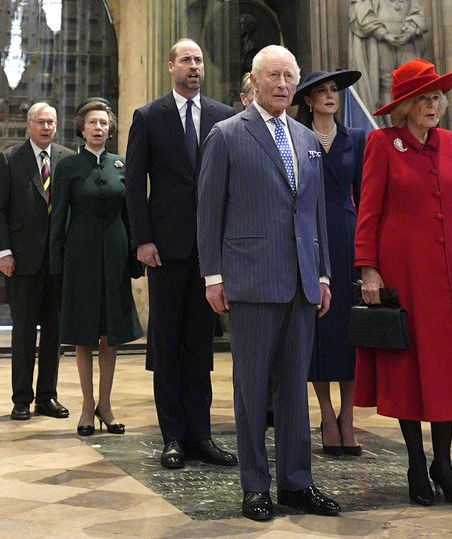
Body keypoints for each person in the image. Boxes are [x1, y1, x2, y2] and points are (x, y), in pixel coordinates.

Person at [198, 45, 342, 522]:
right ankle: (255, 486)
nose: (282, 84)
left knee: (294, 390)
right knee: (252, 390)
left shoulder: (305, 138)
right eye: (273, 76)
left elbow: (314, 211)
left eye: (289, 76)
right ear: (255, 83)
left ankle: (297, 483)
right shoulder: (226, 135)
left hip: (302, 281)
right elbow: (209, 212)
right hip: (251, 280)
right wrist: (214, 275)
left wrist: (321, 273)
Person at [354, 58, 452, 507]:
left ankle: (444, 463)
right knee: (409, 370)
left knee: (446, 370)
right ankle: (417, 464)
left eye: (437, 96)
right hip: (404, 274)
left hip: (450, 274)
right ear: (405, 106)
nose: (433, 104)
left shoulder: (451, 143)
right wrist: (368, 267)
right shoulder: (383, 143)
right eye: (424, 97)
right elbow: (370, 211)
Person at [125, 38, 237, 469]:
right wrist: (142, 239)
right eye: (186, 60)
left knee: (200, 346)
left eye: (199, 60)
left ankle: (201, 436)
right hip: (165, 249)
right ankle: (172, 436)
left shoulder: (223, 117)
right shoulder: (149, 117)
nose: (194, 66)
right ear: (170, 66)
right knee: (168, 342)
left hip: (209, 250)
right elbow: (136, 184)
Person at [50, 99, 143, 436]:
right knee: (85, 334)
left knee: (111, 334)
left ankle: (107, 404)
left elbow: (131, 214)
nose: (99, 128)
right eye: (93, 123)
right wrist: (56, 263)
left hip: (116, 256)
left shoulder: (122, 164)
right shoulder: (69, 167)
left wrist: (135, 258)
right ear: (82, 128)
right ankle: (87, 407)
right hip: (80, 257)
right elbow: (58, 218)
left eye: (104, 123)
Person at [293, 68, 365, 456]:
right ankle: (325, 413)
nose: (330, 96)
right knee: (319, 326)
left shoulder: (356, 138)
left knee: (348, 327)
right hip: (309, 235)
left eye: (334, 90)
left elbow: (365, 196)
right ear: (308, 100)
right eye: (321, 91)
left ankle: (349, 416)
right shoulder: (298, 138)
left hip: (346, 234)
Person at [0, 102, 74, 421]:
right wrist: (3, 252)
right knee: (23, 330)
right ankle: (22, 397)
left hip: (57, 262)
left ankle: (47, 396)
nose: (47, 127)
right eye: (41, 121)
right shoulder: (11, 159)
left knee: (54, 332)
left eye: (51, 122)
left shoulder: (67, 159)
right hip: (22, 260)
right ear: (29, 125)